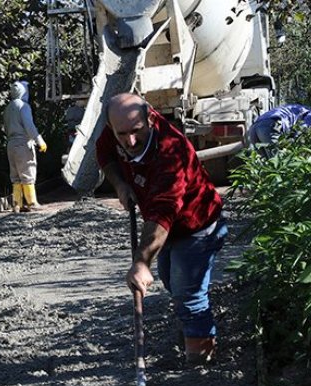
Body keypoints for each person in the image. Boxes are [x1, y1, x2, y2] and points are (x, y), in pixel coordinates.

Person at [96, 93, 227, 365]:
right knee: (172, 281)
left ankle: (200, 363)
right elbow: (104, 152)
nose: (130, 141)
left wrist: (142, 262)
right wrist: (120, 184)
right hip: (167, 229)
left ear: (151, 119)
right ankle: (194, 334)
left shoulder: (171, 151)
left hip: (197, 226)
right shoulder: (116, 133)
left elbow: (163, 212)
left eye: (136, 131)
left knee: (188, 294)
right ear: (111, 127)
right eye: (122, 134)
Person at [3, 80, 47, 212]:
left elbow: (5, 128)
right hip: (23, 144)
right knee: (28, 171)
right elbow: (29, 126)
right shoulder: (23, 106)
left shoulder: (7, 108)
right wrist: (40, 141)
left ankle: (17, 204)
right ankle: (32, 203)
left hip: (11, 144)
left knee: (15, 175)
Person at [246, 103, 311, 157]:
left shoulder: (296, 107)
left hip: (255, 126)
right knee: (279, 162)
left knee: (264, 164)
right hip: (270, 125)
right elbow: (301, 131)